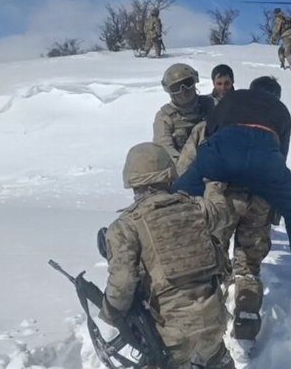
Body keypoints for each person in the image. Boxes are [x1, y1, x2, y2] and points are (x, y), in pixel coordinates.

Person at [172, 76, 291, 319]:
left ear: (251, 88)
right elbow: (281, 152)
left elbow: (210, 133)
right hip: (265, 162)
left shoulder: (232, 98)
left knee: (174, 199)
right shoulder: (281, 110)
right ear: (276, 96)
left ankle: (146, 244)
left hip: (222, 155)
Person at [99, 142, 235, 368]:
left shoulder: (125, 227)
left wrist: (110, 314)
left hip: (169, 335)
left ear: (132, 181)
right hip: (213, 321)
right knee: (216, 359)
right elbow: (221, 212)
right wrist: (214, 185)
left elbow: (122, 284)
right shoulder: (196, 208)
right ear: (169, 174)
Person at [175, 119, 274, 348]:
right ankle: (245, 321)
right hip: (258, 198)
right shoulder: (262, 129)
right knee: (248, 266)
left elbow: (184, 167)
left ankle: (209, 323)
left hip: (220, 199)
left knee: (212, 257)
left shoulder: (208, 127)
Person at [153, 63, 214, 162]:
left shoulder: (211, 104)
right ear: (169, 91)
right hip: (184, 168)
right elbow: (165, 150)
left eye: (187, 83)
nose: (183, 90)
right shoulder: (165, 117)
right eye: (176, 87)